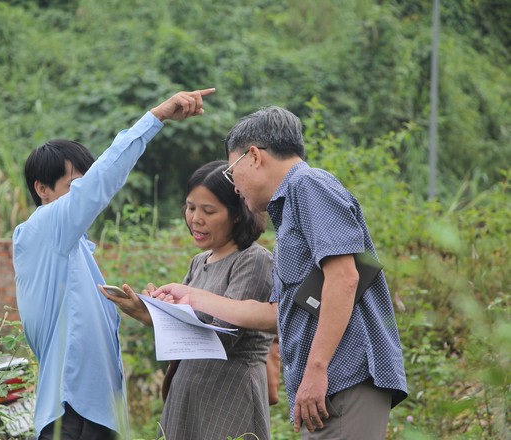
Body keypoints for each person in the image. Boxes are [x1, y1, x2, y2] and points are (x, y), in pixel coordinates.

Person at [154, 106, 407, 439]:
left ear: (254, 156)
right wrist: (193, 296)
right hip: (329, 385)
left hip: (344, 376)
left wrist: (316, 371)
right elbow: (273, 314)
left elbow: (345, 278)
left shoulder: (308, 185)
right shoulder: (290, 208)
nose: (236, 186)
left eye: (233, 172)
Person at [12, 88, 214, 440]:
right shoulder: (41, 230)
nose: (85, 194)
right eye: (75, 185)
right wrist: (156, 117)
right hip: (70, 412)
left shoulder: (75, 250)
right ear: (42, 189)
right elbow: (101, 182)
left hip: (95, 413)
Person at [100, 160, 275, 440]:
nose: (196, 219)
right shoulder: (199, 262)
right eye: (191, 207)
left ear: (237, 214)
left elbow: (224, 336)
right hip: (188, 391)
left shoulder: (253, 259)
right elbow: (183, 332)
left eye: (208, 211)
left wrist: (170, 311)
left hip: (229, 394)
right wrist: (150, 311)